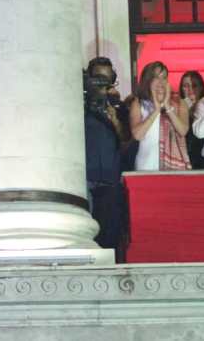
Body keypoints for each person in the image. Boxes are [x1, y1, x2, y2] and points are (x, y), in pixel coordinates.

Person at [81, 57, 126, 257]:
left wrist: (115, 120)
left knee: (108, 235)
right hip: (84, 180)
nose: (102, 84)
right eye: (98, 79)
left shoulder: (119, 106)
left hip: (110, 179)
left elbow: (128, 139)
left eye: (107, 80)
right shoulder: (77, 106)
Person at [130, 61, 191, 171]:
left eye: (164, 77)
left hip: (174, 168)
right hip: (145, 166)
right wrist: (156, 110)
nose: (161, 82)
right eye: (156, 78)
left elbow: (183, 130)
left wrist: (167, 106)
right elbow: (137, 135)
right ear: (147, 81)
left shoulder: (179, 103)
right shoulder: (139, 103)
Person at [179, 70, 204, 170]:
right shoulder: (176, 110)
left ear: (201, 88)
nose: (191, 90)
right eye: (186, 86)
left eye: (195, 85)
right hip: (183, 162)